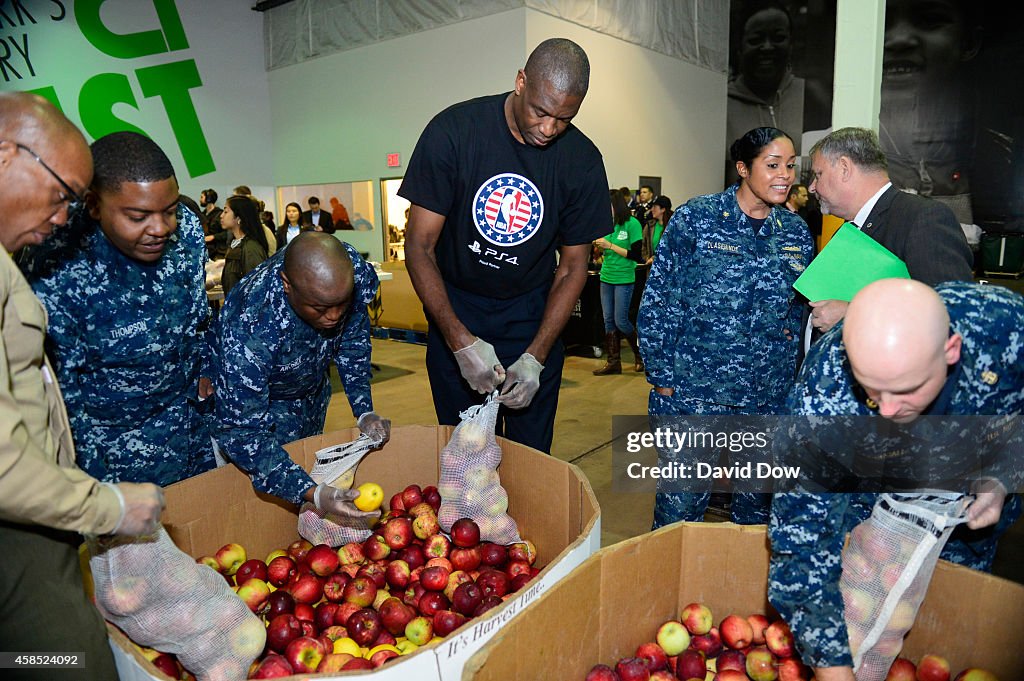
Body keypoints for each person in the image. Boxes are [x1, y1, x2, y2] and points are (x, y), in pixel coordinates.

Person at [769, 278, 1024, 681]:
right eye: (871, 391)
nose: (887, 410)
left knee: (952, 624)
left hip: (965, 521)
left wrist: (1002, 477)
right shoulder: (824, 393)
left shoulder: (1004, 327)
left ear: (951, 351)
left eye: (905, 390)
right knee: (865, 616)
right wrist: (833, 669)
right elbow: (802, 542)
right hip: (876, 519)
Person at [0, 92, 164, 679]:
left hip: (35, 521)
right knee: (71, 660)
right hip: (24, 519)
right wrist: (108, 505)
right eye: (63, 194)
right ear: (6, 155)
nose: (64, 216)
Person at [399, 38, 610, 453]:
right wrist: (459, 341)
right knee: (466, 458)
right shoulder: (455, 132)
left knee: (531, 460)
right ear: (520, 82)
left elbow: (572, 267)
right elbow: (420, 246)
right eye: (541, 111)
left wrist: (536, 356)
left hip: (532, 315)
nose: (549, 129)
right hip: (456, 308)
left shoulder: (582, 161)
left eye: (564, 119)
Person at [638, 126, 813, 528]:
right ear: (743, 168)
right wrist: (663, 377)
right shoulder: (696, 220)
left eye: (789, 165)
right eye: (772, 165)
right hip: (695, 392)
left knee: (756, 516)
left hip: (765, 397)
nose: (784, 175)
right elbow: (660, 300)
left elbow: (796, 314)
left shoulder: (795, 234)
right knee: (680, 512)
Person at [20, 130, 217, 488]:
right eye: (138, 216)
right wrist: (104, 499)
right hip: (113, 456)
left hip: (191, 433)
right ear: (94, 205)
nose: (160, 228)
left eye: (168, 210)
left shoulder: (185, 230)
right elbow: (63, 398)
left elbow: (198, 319)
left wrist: (205, 367)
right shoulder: (57, 262)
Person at [214, 232, 388, 516]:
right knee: (274, 501)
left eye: (340, 305)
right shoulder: (251, 322)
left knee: (308, 457)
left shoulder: (350, 273)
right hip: (266, 404)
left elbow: (353, 341)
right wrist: (312, 493)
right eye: (320, 308)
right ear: (287, 285)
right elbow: (243, 432)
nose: (333, 317)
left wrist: (363, 411)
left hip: (313, 389)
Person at [805, 127, 974, 336]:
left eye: (818, 175)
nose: (812, 187)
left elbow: (955, 312)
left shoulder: (924, 219)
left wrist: (854, 315)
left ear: (844, 168)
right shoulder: (846, 230)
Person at [726, 1, 805, 186]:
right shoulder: (722, 105)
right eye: (756, 40)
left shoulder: (814, 97)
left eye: (778, 38)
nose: (767, 47)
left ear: (791, 44)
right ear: (739, 47)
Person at [593, 189, 644, 375]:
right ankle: (614, 362)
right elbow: (602, 252)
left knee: (621, 321)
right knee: (608, 321)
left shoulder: (633, 224)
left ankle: (640, 355)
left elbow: (636, 255)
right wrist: (598, 247)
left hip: (624, 278)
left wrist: (610, 246)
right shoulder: (606, 224)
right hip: (606, 276)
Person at [220, 194, 269, 295]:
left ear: (239, 217)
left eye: (226, 212)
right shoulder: (235, 244)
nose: (221, 215)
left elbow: (256, 288)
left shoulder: (250, 248)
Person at [200, 188, 226, 259]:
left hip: (216, 251)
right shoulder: (202, 215)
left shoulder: (220, 214)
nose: (200, 199)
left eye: (202, 197)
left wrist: (213, 237)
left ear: (208, 199)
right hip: (204, 249)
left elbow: (227, 233)